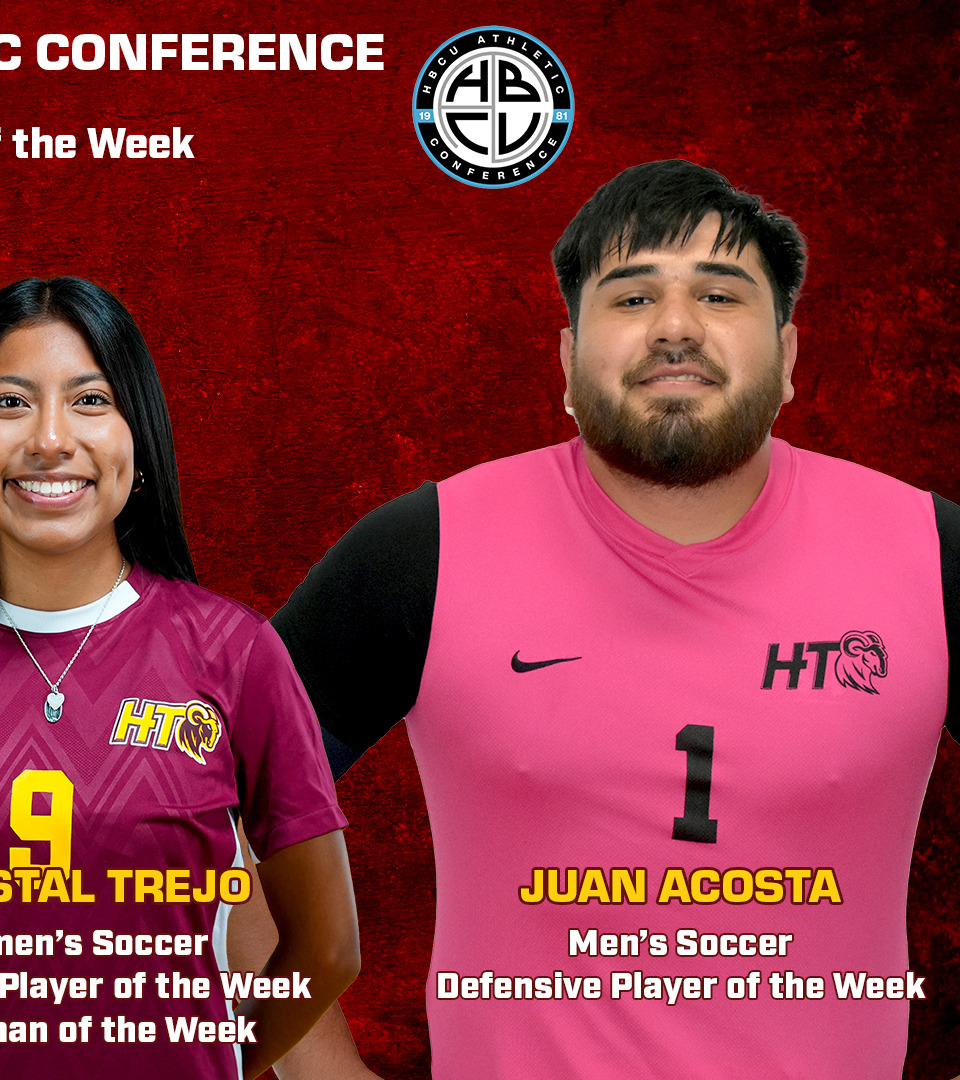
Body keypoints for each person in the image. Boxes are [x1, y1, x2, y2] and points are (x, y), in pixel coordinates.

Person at [271, 159, 958, 1077]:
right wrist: (318, 1069)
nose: (675, 328)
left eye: (720, 295)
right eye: (631, 299)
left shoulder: (929, 550)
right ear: (564, 359)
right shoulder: (423, 549)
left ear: (791, 357)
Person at [0, 277, 361, 1080]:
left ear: (136, 436)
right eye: (10, 403)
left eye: (90, 400)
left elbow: (326, 948)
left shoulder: (234, 652)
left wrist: (205, 1066)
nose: (50, 438)